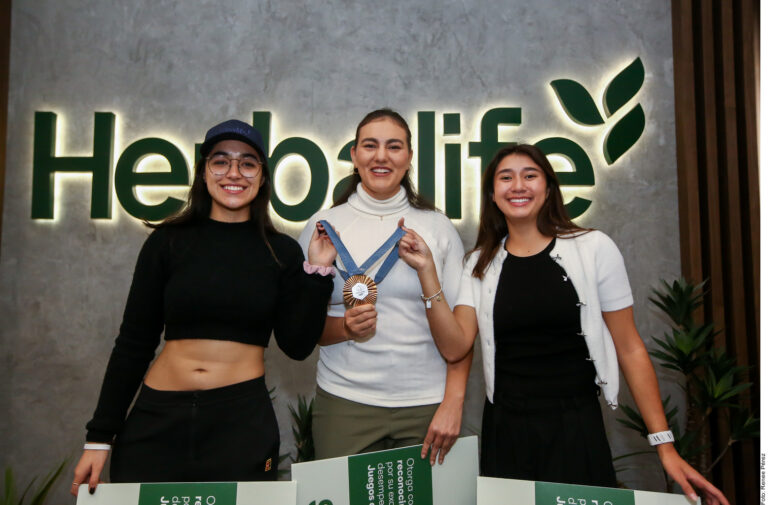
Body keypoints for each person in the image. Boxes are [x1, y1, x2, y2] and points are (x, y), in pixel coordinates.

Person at [398, 144, 729, 504]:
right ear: (492, 194)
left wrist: (664, 446)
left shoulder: (594, 248)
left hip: (577, 426)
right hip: (506, 430)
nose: (518, 185)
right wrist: (427, 272)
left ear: (549, 188)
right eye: (506, 178)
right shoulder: (479, 263)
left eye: (530, 175)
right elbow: (455, 347)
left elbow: (630, 348)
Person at [71, 119, 336, 493]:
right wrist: (99, 438)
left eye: (248, 163)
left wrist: (319, 273)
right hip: (157, 421)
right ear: (203, 172)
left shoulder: (282, 252)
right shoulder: (167, 242)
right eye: (221, 161)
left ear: (263, 177)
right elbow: (133, 343)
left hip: (240, 425)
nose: (234, 173)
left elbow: (297, 345)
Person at [297, 109, 470, 465]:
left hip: (427, 403)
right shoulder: (322, 227)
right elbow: (302, 329)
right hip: (344, 402)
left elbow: (462, 335)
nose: (381, 156)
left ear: (409, 157)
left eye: (394, 147)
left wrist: (453, 402)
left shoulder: (437, 228)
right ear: (353, 154)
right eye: (370, 146)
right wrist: (345, 328)